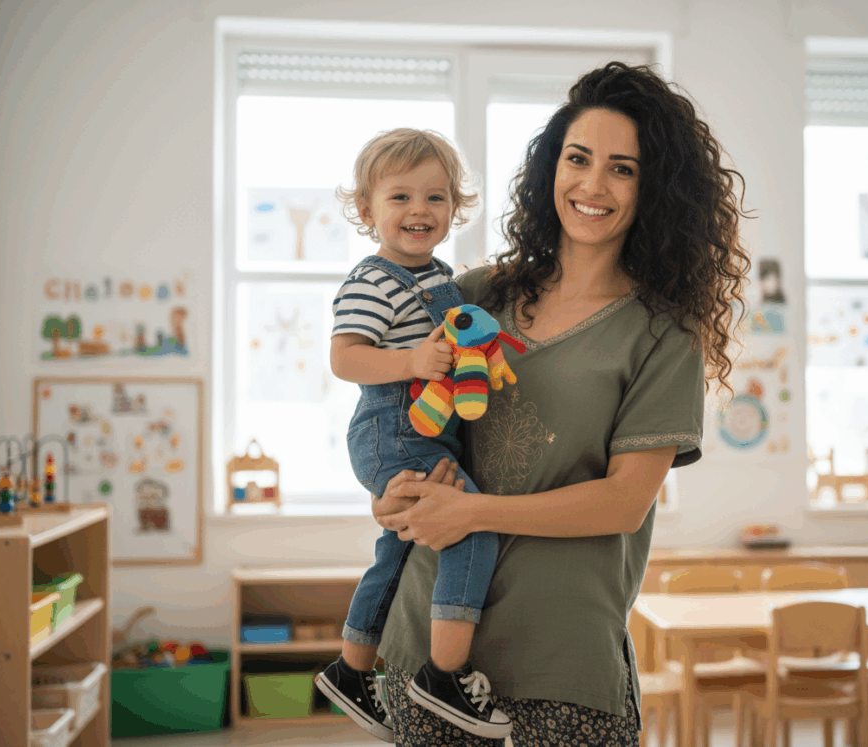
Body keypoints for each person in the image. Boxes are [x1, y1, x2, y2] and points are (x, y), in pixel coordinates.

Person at [370, 62, 753, 746]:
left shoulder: (663, 331)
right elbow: (400, 419)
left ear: (655, 188)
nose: (592, 184)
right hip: (427, 648)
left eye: (623, 168)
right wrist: (392, 492)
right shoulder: (476, 294)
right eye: (577, 158)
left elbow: (622, 502)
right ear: (552, 167)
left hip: (563, 666)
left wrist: (471, 511)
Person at [315, 128, 514, 742]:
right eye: (399, 197)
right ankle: (444, 674)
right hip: (393, 429)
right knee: (472, 528)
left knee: (396, 552)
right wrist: (410, 364)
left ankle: (351, 671)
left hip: (428, 432)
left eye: (435, 197)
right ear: (367, 209)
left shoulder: (440, 276)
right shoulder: (372, 280)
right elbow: (344, 358)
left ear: (455, 207)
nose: (418, 211)